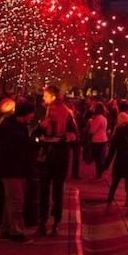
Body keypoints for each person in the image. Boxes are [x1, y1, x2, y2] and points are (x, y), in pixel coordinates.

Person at [36, 85, 79, 236]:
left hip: (53, 156)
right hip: (56, 156)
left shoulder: (60, 115)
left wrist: (45, 137)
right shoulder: (63, 115)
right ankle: (52, 222)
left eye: (45, 95)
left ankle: (48, 222)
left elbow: (74, 136)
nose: (43, 98)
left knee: (50, 190)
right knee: (53, 190)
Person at [0, 101, 36, 244]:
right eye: (31, 113)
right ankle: (16, 232)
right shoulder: (8, 128)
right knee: (16, 201)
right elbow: (11, 148)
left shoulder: (19, 126)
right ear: (25, 114)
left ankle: (6, 229)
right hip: (11, 168)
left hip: (18, 168)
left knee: (11, 201)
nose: (33, 116)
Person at [105, 112, 128, 216]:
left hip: (120, 160)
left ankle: (108, 205)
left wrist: (106, 165)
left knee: (114, 184)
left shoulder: (118, 132)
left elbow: (112, 150)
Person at [87, 102, 109, 181]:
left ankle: (100, 175)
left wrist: (90, 123)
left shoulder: (98, 118)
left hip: (98, 140)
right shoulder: (104, 118)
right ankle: (101, 174)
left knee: (98, 159)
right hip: (103, 139)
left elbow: (92, 130)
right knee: (101, 158)